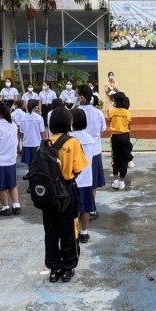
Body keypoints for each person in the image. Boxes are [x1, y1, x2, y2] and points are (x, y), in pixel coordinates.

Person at [45, 108, 87, 283]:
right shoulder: (73, 143)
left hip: (48, 196)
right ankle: (68, 268)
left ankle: (54, 269)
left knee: (51, 232)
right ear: (68, 123)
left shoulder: (46, 143)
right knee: (69, 230)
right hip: (67, 192)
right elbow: (78, 168)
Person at [77, 85, 106, 219]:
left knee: (79, 181)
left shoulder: (76, 112)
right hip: (94, 151)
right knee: (92, 182)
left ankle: (80, 207)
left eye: (77, 95)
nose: (75, 98)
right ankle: (92, 208)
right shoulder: (98, 112)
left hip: (79, 151)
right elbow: (103, 129)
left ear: (82, 97)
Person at [69, 109, 95, 244]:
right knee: (86, 207)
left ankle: (74, 232)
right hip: (86, 178)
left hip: (73, 179)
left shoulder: (70, 138)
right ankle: (84, 232)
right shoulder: (89, 138)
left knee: (72, 208)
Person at [107, 92, 133, 190]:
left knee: (115, 158)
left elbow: (108, 120)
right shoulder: (128, 113)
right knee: (124, 158)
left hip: (115, 137)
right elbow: (130, 126)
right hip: (125, 136)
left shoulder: (112, 111)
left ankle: (115, 180)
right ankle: (122, 181)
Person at [19, 100, 45, 173]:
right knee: (37, 163)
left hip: (26, 143)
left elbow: (22, 132)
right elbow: (42, 132)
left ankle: (31, 175)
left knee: (29, 164)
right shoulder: (39, 118)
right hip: (37, 143)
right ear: (36, 107)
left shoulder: (23, 117)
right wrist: (44, 142)